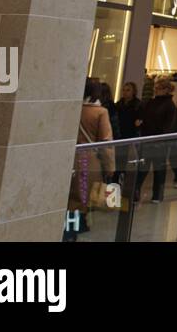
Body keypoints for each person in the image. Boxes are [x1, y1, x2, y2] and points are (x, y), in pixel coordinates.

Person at [66, 78, 115, 240]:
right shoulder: (101, 112)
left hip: (69, 158)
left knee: (70, 199)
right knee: (81, 201)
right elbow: (106, 142)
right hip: (88, 161)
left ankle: (67, 232)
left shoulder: (73, 108)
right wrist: (110, 167)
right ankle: (71, 233)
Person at [135, 78, 177, 204]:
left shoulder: (170, 105)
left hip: (159, 143)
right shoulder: (151, 102)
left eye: (158, 88)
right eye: (155, 88)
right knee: (143, 167)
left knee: (158, 169)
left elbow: (169, 126)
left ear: (165, 90)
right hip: (148, 140)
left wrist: (160, 138)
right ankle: (136, 192)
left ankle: (157, 194)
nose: (155, 90)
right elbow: (145, 118)